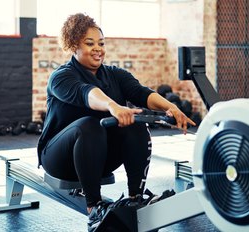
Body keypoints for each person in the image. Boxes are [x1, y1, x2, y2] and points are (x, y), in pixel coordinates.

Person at [37, 13, 195, 231]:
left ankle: (135, 198)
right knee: (89, 125)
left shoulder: (115, 74)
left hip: (98, 159)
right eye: (89, 43)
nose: (98, 48)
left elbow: (141, 93)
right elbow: (87, 93)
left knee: (136, 125)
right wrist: (113, 106)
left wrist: (170, 107)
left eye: (101, 43)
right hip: (59, 159)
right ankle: (93, 209)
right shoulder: (62, 77)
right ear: (73, 45)